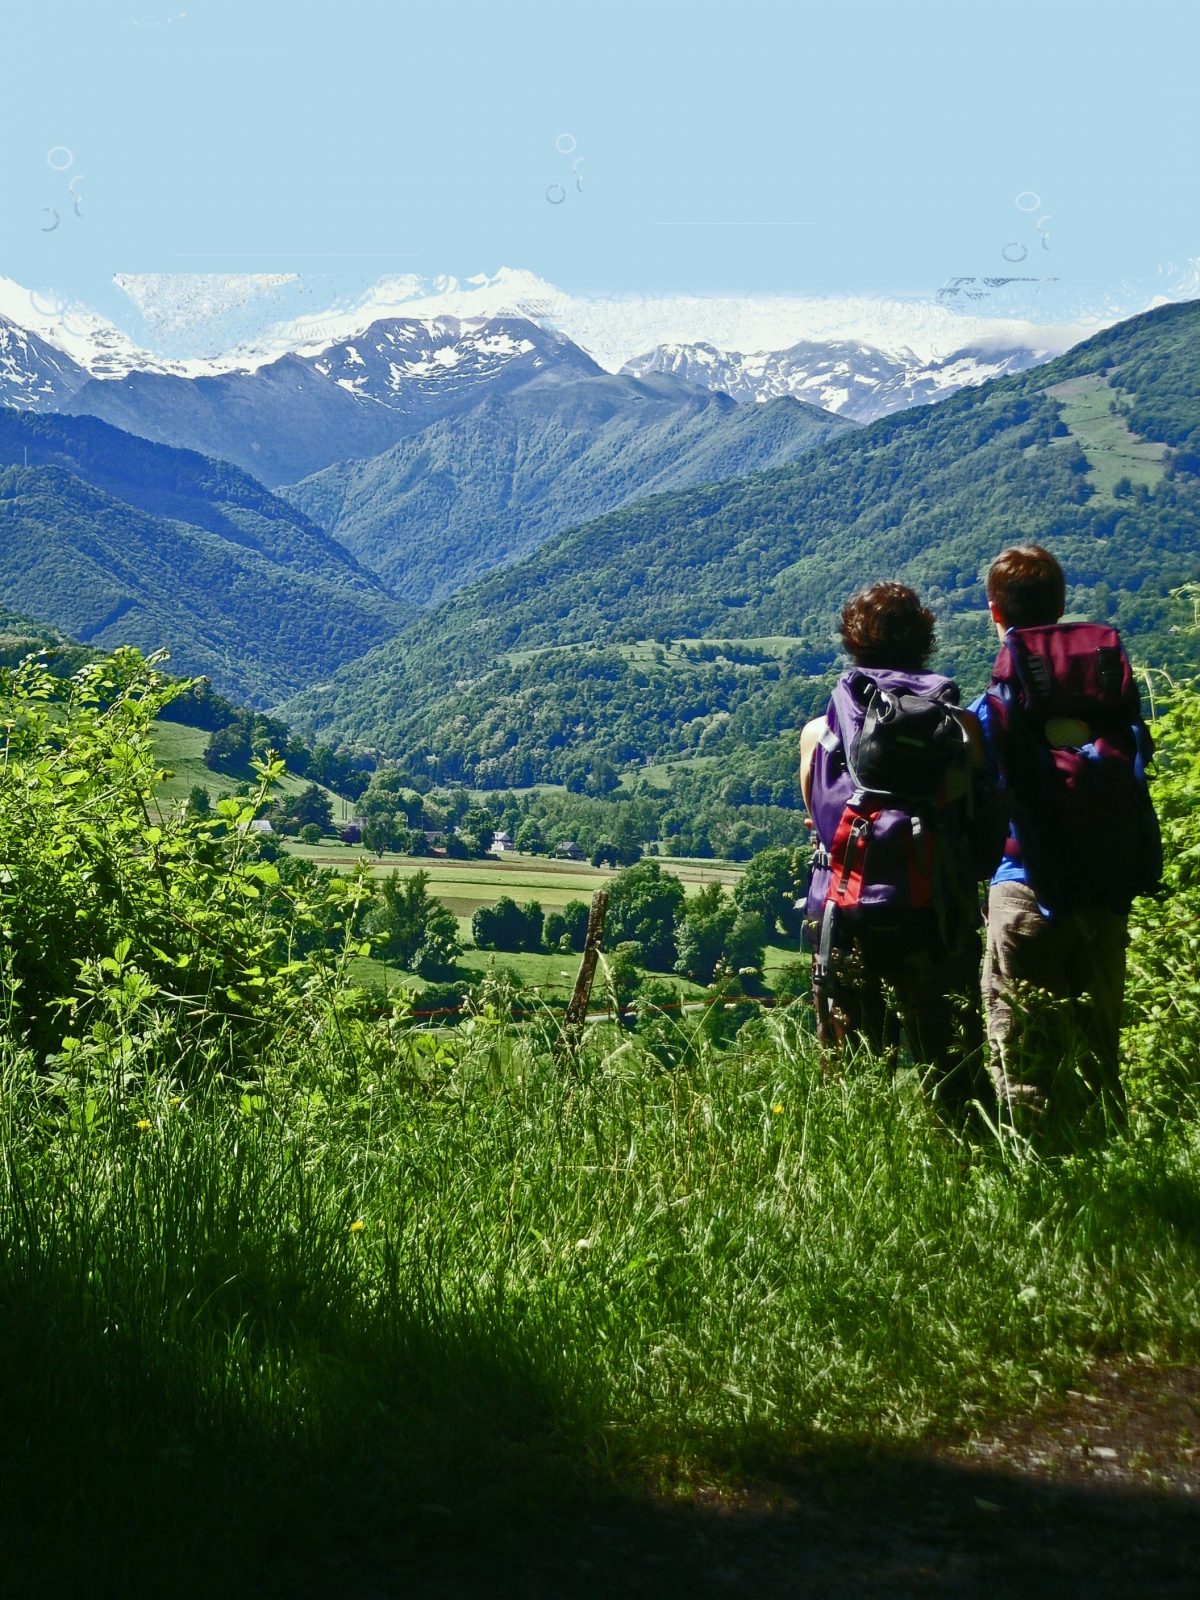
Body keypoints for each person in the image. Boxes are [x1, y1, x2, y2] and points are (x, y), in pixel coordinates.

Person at [972, 545, 1161, 1134]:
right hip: (1103, 892)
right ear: (1060, 606)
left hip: (1025, 889)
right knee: (1098, 1053)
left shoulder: (996, 705)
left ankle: (1035, 1188)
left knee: (1021, 1058)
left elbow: (975, 798)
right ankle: (1115, 1177)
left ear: (995, 611)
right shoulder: (1107, 696)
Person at [800, 582, 1000, 1114]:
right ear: (925, 641)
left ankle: (854, 1173)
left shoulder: (819, 732)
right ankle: (969, 1171)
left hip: (846, 912)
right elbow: (979, 823)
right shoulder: (959, 729)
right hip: (936, 914)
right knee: (954, 1066)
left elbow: (820, 825)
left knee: (851, 1075)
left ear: (853, 643)